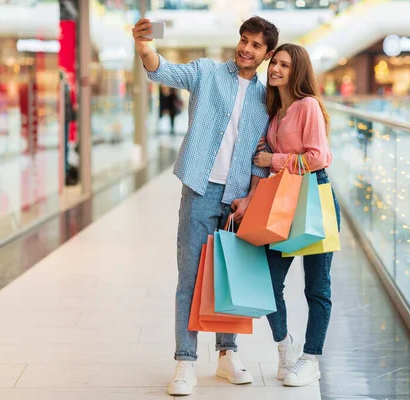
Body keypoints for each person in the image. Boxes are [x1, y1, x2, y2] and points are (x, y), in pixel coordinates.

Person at [132, 16, 279, 396]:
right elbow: (163, 70)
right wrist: (146, 47)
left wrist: (251, 196)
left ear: (267, 54)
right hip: (200, 188)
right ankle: (185, 361)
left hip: (238, 198)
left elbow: (265, 151)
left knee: (229, 275)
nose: (246, 48)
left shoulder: (268, 98)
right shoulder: (207, 72)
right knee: (191, 277)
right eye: (244, 40)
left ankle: (228, 353)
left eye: (256, 45)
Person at [253, 43, 341, 388]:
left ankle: (312, 358)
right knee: (269, 283)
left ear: (298, 71)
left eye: (285, 65)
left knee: (317, 287)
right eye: (274, 63)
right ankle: (284, 348)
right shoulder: (276, 114)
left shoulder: (308, 107)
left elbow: (318, 157)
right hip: (284, 198)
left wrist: (272, 160)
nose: (276, 69)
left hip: (314, 195)